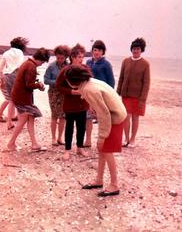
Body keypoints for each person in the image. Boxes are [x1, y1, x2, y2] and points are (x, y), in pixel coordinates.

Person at [64, 65, 127, 197]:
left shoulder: (88, 89)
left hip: (115, 118)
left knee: (106, 150)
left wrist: (102, 136)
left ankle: (114, 185)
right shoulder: (89, 82)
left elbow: (104, 114)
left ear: (73, 81)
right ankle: (99, 180)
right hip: (116, 113)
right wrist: (92, 106)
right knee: (102, 150)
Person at [7, 48, 50, 152]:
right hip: (22, 97)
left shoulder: (27, 63)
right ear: (40, 59)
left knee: (31, 117)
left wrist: (36, 84)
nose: (42, 64)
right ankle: (11, 143)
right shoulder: (31, 66)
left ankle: (34, 144)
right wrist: (39, 85)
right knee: (23, 120)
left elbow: (26, 82)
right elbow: (28, 85)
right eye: (43, 62)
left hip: (19, 96)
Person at [56, 44, 90, 160]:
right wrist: (71, 91)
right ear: (72, 57)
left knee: (81, 127)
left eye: (82, 57)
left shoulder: (85, 69)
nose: (81, 59)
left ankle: (80, 148)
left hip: (83, 104)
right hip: (70, 104)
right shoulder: (66, 70)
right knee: (69, 127)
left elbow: (90, 83)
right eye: (79, 57)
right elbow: (58, 85)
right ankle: (67, 150)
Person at [117, 38, 150, 148]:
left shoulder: (145, 64)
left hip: (138, 96)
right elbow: (121, 77)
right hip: (126, 95)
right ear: (131, 49)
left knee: (135, 117)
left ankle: (132, 139)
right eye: (134, 49)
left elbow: (146, 83)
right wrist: (118, 92)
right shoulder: (125, 61)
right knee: (126, 117)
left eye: (138, 49)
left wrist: (143, 99)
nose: (135, 51)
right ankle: (126, 138)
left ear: (141, 50)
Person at [0, 37, 28, 130]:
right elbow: (20, 66)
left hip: (6, 76)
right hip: (16, 75)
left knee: (11, 99)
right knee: (18, 99)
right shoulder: (20, 53)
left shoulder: (6, 53)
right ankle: (19, 120)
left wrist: (2, 80)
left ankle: (9, 122)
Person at [44, 45, 70, 146]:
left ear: (66, 57)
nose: (59, 60)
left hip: (65, 94)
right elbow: (46, 80)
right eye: (58, 57)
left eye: (62, 58)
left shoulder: (69, 66)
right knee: (54, 116)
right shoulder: (51, 66)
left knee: (63, 116)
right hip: (54, 94)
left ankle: (60, 138)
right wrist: (57, 82)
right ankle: (53, 138)